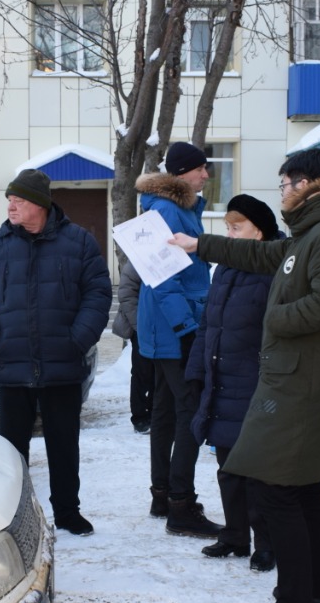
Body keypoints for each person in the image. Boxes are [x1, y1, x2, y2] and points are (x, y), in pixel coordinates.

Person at [172, 147, 320, 603]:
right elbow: (261, 255)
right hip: (300, 378)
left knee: (275, 486)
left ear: (305, 185)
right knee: (300, 487)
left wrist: (272, 320)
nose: (281, 194)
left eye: (283, 184)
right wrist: (200, 245)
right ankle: (315, 592)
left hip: (303, 383)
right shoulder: (313, 233)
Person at [0, 168, 112, 536]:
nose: (11, 206)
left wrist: (78, 338)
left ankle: (67, 512)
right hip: (11, 363)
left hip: (62, 363)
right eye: (10, 200)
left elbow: (98, 292)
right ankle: (14, 517)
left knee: (65, 445)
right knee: (12, 451)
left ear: (41, 205)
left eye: (20, 200)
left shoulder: (77, 242)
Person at [186, 194, 281, 571]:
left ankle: (266, 543)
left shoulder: (273, 269)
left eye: (235, 227)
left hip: (254, 383)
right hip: (220, 380)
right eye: (226, 227)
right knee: (227, 467)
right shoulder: (224, 268)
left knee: (257, 471)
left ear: (258, 232)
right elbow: (208, 323)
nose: (228, 234)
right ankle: (236, 535)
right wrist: (196, 371)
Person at [136, 141, 222, 538]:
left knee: (167, 412)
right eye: (202, 168)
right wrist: (188, 330)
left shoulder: (176, 207)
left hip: (167, 327)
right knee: (188, 413)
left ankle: (162, 495)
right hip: (175, 328)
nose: (207, 174)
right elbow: (163, 279)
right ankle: (181, 506)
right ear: (184, 172)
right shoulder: (167, 210)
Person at [110, 259, 153, 434]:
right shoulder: (136, 263)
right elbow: (127, 296)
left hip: (160, 328)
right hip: (141, 329)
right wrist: (140, 326)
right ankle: (140, 418)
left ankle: (154, 414)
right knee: (142, 374)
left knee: (159, 375)